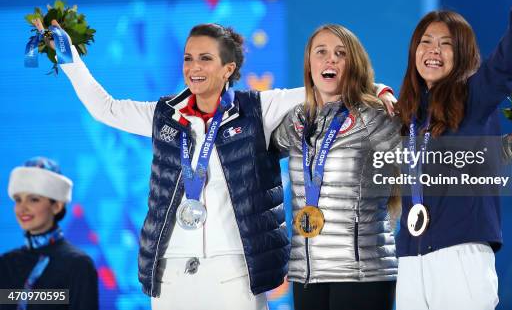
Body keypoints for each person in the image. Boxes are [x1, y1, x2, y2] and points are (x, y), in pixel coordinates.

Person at [34, 19, 393, 309]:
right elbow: (106, 109)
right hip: (171, 269)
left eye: (205, 58)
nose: (194, 67)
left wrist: (381, 91)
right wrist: (70, 62)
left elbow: (329, 86)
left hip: (235, 270)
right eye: (189, 58)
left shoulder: (258, 109)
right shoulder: (164, 115)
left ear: (228, 68)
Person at [394, 0, 512, 310]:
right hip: (410, 256)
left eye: (446, 44)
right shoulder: (408, 114)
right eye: (425, 42)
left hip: (460, 254)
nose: (433, 51)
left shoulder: (474, 95)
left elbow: (508, 57)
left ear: (463, 54)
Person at [272, 24, 401, 310]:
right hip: (307, 274)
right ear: (309, 64)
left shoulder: (374, 116)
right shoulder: (296, 121)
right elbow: (255, 150)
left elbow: (421, 165)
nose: (330, 59)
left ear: (352, 64)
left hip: (363, 274)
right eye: (321, 52)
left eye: (340, 54)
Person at [0, 157, 99, 310]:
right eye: (18, 200)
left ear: (57, 206)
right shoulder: (6, 263)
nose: (22, 208)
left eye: (33, 199)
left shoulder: (77, 264)